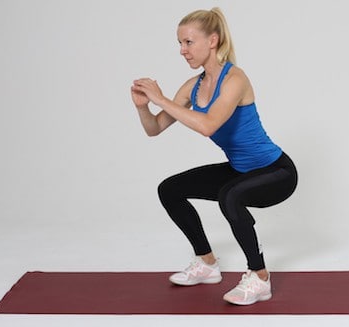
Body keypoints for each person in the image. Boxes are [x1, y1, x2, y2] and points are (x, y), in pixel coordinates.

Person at [130, 7, 298, 306]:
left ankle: (259, 278)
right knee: (170, 189)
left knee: (229, 196)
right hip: (240, 171)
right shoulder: (192, 87)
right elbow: (154, 128)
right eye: (179, 44)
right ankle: (207, 263)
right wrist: (144, 106)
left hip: (277, 173)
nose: (182, 50)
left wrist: (162, 99)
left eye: (188, 42)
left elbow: (208, 126)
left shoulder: (235, 79)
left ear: (212, 40)